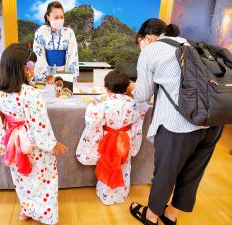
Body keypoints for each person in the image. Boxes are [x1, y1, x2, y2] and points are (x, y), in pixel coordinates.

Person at [129, 18, 223, 225]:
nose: (140, 48)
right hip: (213, 121)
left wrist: (130, 89)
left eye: (139, 43)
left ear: (145, 38)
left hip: (178, 125)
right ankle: (171, 215)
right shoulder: (192, 45)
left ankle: (151, 216)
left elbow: (142, 94)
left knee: (165, 172)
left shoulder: (150, 51)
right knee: (192, 173)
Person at [0, 43, 68, 225]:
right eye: (31, 66)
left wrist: (1, 144)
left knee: (22, 178)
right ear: (22, 69)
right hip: (35, 146)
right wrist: (52, 144)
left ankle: (26, 210)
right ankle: (48, 217)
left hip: (14, 144)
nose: (33, 70)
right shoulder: (31, 94)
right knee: (43, 179)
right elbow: (41, 124)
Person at [76, 70, 148, 205]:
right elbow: (140, 118)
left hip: (108, 138)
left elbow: (93, 120)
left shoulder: (104, 105)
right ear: (127, 88)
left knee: (107, 164)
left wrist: (91, 104)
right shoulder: (134, 104)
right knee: (124, 165)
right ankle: (121, 194)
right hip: (125, 139)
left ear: (107, 88)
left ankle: (106, 195)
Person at [33, 1, 79, 84]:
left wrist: (67, 76)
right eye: (56, 17)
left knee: (64, 93)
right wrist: (47, 75)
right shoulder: (41, 32)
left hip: (64, 73)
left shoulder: (69, 32)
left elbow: (73, 55)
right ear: (48, 17)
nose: (59, 20)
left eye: (62, 17)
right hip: (46, 76)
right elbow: (38, 55)